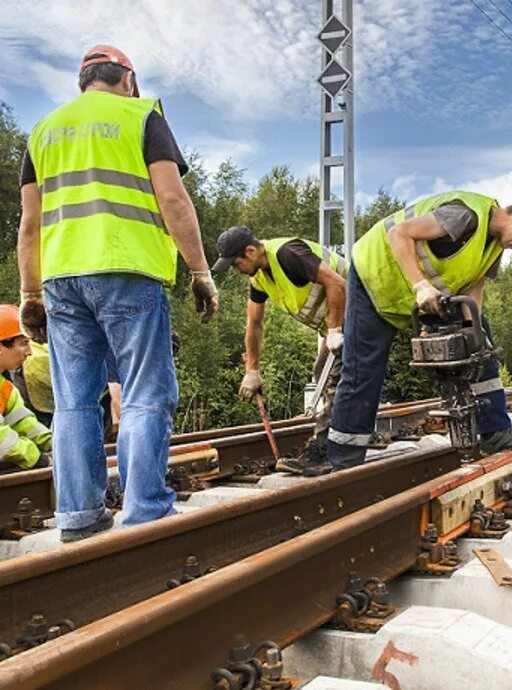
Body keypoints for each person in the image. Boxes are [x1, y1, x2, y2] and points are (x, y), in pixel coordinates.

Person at [17, 45, 219, 542]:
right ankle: (146, 509)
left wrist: (29, 292)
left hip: (62, 279)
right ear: (128, 78)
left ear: (83, 81)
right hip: (128, 270)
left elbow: (30, 225)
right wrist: (200, 271)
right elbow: (172, 197)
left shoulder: (43, 132)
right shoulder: (142, 115)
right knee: (146, 393)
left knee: (73, 403)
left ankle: (79, 518)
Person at [326, 191, 512, 474]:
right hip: (374, 279)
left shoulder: (495, 245)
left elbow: (475, 287)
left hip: (420, 295)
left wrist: (474, 333)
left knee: (481, 346)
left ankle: (494, 432)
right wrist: (419, 285)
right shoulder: (465, 216)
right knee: (363, 371)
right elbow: (399, 234)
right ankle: (343, 461)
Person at [211, 226, 348, 474]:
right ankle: (345, 436)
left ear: (251, 251)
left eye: (236, 263)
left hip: (359, 311)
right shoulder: (260, 278)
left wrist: (336, 330)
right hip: (339, 324)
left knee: (334, 381)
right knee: (322, 376)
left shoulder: (288, 254)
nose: (236, 270)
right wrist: (252, 370)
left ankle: (325, 452)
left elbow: (337, 283)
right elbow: (254, 324)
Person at [0, 305, 52, 471]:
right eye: (23, 344)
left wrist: (52, 443)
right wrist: (35, 457)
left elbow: (23, 423)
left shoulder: (5, 388)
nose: (29, 352)